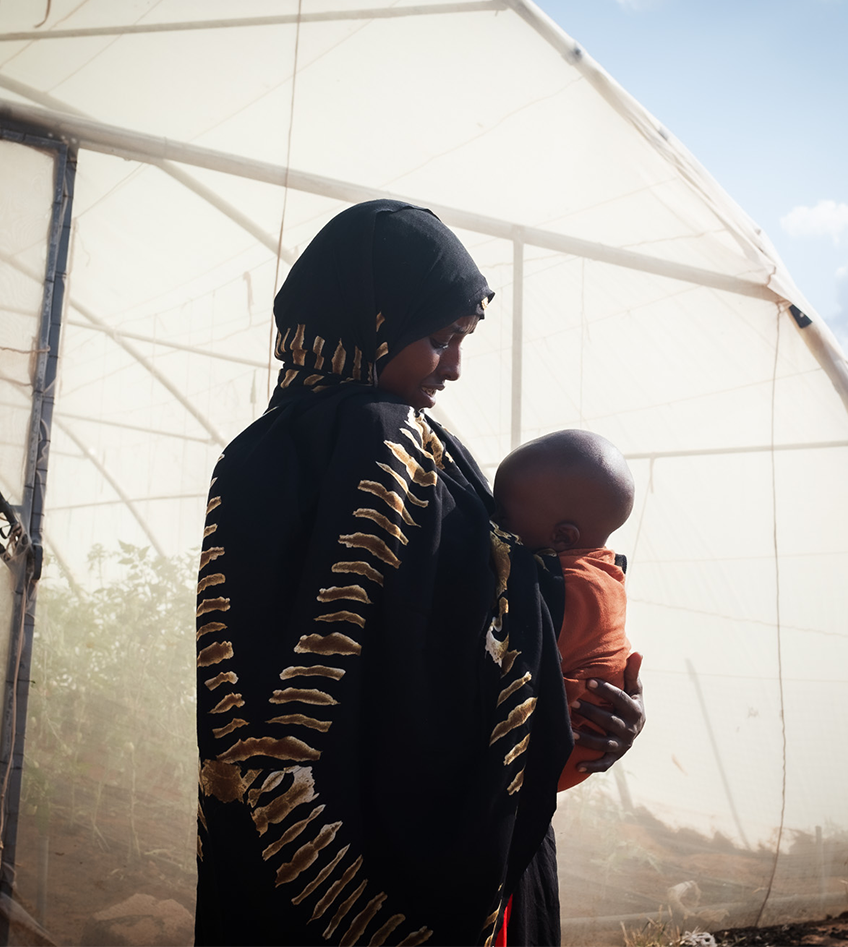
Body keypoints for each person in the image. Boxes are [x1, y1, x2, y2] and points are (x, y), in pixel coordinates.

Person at [194, 201, 644, 947]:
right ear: (376, 322)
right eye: (440, 340)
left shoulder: (252, 454)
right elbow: (487, 621)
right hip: (412, 865)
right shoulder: (392, 442)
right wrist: (585, 690)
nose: (456, 367)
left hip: (282, 850)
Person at [492, 429, 642, 793]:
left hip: (554, 754)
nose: (494, 523)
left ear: (562, 537)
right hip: (565, 755)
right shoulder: (603, 571)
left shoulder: (572, 587)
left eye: (503, 515)